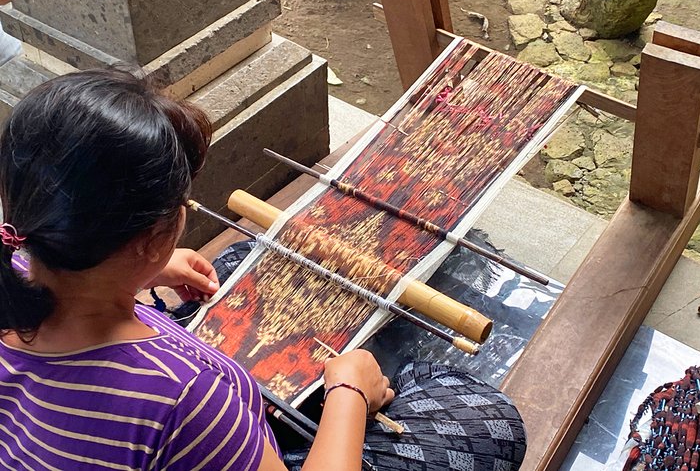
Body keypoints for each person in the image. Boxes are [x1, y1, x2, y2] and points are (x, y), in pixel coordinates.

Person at [0, 68, 526, 470]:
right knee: (486, 417)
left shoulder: (17, 264)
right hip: (202, 429)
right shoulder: (184, 398)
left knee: (231, 272)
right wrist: (349, 393)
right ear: (150, 237)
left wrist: (140, 274)